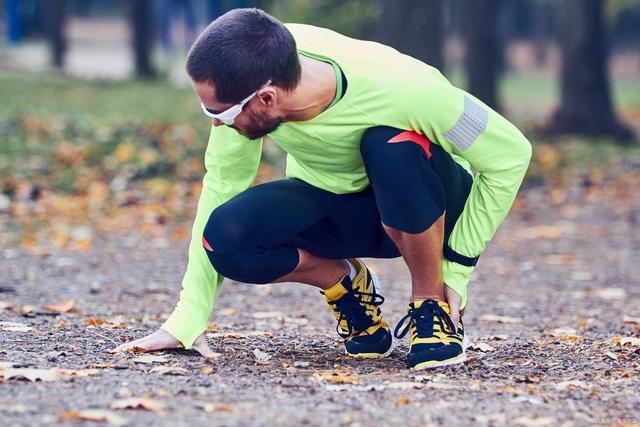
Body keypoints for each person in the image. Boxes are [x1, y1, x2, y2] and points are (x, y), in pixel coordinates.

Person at [113, 8, 532, 370]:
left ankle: (431, 303)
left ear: (266, 98)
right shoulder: (253, 63)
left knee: (389, 146)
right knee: (225, 240)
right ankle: (346, 284)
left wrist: (457, 269)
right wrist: (188, 319)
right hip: (341, 206)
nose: (215, 121)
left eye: (218, 111)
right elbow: (222, 185)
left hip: (428, 203)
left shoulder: (411, 89)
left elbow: (510, 155)